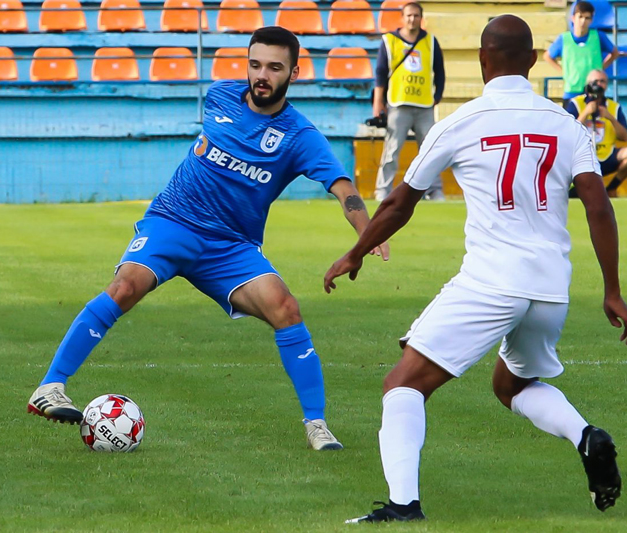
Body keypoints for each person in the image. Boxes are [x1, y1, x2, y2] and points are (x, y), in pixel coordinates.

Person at [325, 15, 627, 522]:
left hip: (492, 281)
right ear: (533, 61)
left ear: (482, 60)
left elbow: (401, 202)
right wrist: (613, 291)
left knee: (403, 384)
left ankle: (403, 507)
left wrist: (357, 251)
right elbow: (599, 207)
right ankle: (586, 435)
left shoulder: (459, 122)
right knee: (511, 387)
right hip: (550, 288)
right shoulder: (566, 124)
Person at [28, 26, 390, 451]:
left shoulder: (300, 137)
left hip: (231, 247)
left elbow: (345, 191)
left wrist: (365, 239)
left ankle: (317, 424)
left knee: (286, 308)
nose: (262, 75)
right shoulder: (219, 95)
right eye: (255, 64)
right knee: (125, 286)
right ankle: (50, 387)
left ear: (294, 72)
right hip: (173, 222)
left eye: (275, 68)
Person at [372, 1, 446, 202]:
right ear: (402, 18)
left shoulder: (430, 41)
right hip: (398, 104)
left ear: (421, 18)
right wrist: (378, 103)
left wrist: (437, 96)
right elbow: (380, 73)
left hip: (424, 106)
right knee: (392, 151)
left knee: (431, 151)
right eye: (409, 15)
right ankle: (382, 190)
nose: (412, 19)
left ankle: (434, 191)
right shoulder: (389, 41)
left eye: (416, 15)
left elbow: (439, 72)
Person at [567, 69, 627, 197]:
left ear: (606, 85)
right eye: (595, 81)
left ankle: (611, 188)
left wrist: (610, 118)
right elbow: (568, 133)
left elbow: (624, 137)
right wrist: (585, 113)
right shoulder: (576, 104)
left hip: (606, 155)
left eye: (602, 81)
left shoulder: (614, 107)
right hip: (581, 156)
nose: (598, 84)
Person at [544, 1, 618, 107]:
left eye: (587, 18)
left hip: (594, 89)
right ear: (573, 18)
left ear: (591, 20)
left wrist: (600, 68)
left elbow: (614, 53)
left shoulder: (598, 36)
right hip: (571, 90)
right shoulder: (563, 39)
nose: (583, 21)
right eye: (580, 17)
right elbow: (547, 56)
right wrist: (564, 71)